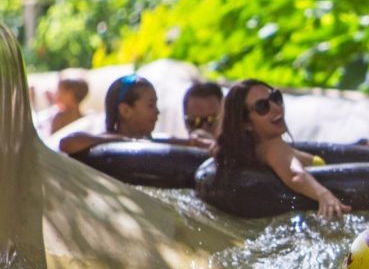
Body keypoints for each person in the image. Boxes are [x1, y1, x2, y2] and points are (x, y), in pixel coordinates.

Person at [215, 79, 350, 220]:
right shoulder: (273, 146)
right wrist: (323, 194)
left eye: (275, 97)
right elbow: (295, 175)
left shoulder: (251, 151)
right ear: (246, 123)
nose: (276, 107)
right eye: (262, 106)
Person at [59, 74, 213, 155]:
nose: (157, 111)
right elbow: (67, 143)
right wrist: (126, 141)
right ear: (125, 110)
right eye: (151, 105)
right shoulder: (102, 141)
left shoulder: (155, 141)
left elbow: (194, 143)